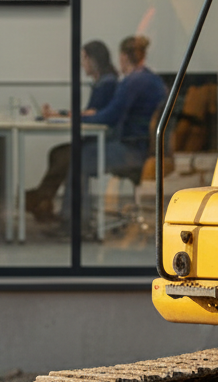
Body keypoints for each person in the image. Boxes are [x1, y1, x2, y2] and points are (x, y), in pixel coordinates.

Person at [56, 35, 167, 234]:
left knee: (79, 157)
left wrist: (74, 119)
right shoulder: (153, 79)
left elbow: (108, 117)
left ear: (124, 57)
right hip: (144, 149)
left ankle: (73, 225)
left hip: (131, 152)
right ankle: (76, 218)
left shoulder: (133, 82)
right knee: (83, 152)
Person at [25, 40, 118, 222]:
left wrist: (62, 114)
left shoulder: (107, 84)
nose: (82, 63)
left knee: (64, 156)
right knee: (58, 153)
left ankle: (40, 199)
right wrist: (58, 113)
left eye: (84, 58)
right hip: (96, 140)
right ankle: (41, 200)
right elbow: (89, 112)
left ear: (93, 60)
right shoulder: (102, 82)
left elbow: (94, 114)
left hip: (104, 143)